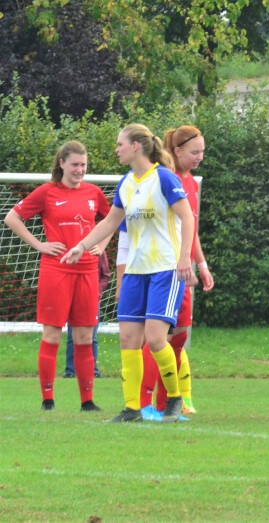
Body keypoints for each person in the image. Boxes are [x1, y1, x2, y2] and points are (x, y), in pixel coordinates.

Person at [61, 123, 195, 423]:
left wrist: (185, 257)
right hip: (135, 272)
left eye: (120, 144)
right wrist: (81, 247)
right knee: (128, 340)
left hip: (165, 270)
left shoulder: (164, 177)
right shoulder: (126, 182)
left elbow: (187, 217)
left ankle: (175, 398)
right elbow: (110, 222)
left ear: (136, 146)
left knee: (156, 339)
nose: (116, 149)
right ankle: (132, 408)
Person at [4, 140, 110, 412]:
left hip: (87, 270)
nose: (80, 170)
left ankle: (87, 401)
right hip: (56, 271)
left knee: (85, 337)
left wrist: (102, 245)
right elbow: (11, 218)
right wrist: (39, 245)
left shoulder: (94, 192)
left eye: (83, 165)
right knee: (52, 334)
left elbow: (113, 220)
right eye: (75, 164)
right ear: (61, 164)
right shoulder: (47, 192)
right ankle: (48, 400)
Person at [139, 125, 214, 419]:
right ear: (178, 150)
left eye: (203, 151)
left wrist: (201, 265)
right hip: (165, 268)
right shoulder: (165, 178)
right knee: (158, 337)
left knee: (179, 336)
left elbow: (190, 228)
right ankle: (144, 403)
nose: (200, 157)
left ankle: (165, 405)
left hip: (183, 269)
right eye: (195, 152)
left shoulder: (191, 183)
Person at [64, 251, 111, 378]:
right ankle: (71, 371)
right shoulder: (72, 250)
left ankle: (92, 371)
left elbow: (106, 275)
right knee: (72, 335)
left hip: (92, 299)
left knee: (92, 337)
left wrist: (97, 292)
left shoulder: (98, 250)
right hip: (74, 298)